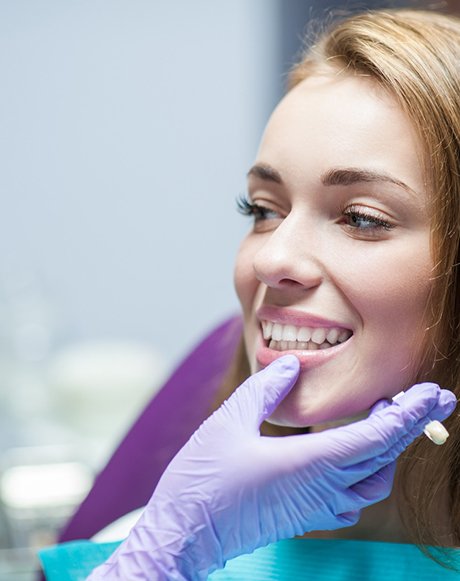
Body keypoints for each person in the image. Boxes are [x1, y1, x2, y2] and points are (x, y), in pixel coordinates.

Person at [39, 7, 460, 580]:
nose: (270, 258)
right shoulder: (148, 545)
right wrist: (166, 553)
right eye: (263, 209)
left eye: (361, 218)